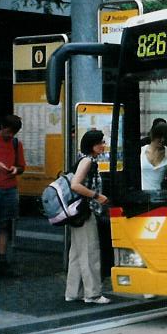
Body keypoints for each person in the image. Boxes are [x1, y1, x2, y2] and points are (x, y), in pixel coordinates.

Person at [66, 130, 110, 304]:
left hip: (76, 213)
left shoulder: (82, 160)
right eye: (100, 142)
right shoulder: (88, 161)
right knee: (90, 252)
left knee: (76, 253)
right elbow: (75, 185)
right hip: (85, 212)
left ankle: (72, 292)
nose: (103, 145)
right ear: (92, 145)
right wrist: (96, 196)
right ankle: (92, 294)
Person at [0, 115, 26, 278]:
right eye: (8, 131)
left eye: (14, 132)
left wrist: (15, 169)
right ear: (1, 127)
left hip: (9, 188)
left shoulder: (15, 143)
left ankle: (1, 263)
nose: (10, 135)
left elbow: (21, 166)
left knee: (4, 225)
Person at [141, 121, 167, 191]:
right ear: (153, 135)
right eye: (159, 137)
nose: (162, 140)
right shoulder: (141, 152)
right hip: (142, 197)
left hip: (161, 197)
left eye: (165, 137)